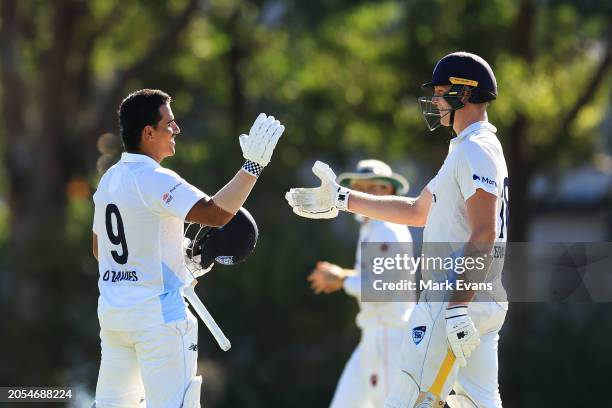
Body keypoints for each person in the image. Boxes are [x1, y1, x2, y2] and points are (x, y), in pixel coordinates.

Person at [286, 52, 508, 407]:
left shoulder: (474, 149)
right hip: (478, 298)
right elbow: (418, 210)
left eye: (440, 91)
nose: (435, 100)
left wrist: (455, 307)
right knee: (479, 404)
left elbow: (483, 233)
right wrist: (342, 198)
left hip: (452, 297)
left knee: (407, 397)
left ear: (464, 94)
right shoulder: (472, 148)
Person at [91, 89, 284, 407]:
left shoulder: (110, 178)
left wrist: (173, 256)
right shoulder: (154, 177)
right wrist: (253, 167)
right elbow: (216, 213)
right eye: (170, 123)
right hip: (158, 321)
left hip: (114, 318)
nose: (176, 129)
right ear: (148, 132)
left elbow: (101, 251)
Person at [307, 159, 416, 408]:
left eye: (370, 188)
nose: (361, 194)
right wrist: (341, 275)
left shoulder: (387, 229)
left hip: (390, 337)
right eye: (358, 188)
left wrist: (342, 279)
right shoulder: (371, 227)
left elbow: (383, 290)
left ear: (387, 191)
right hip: (372, 335)